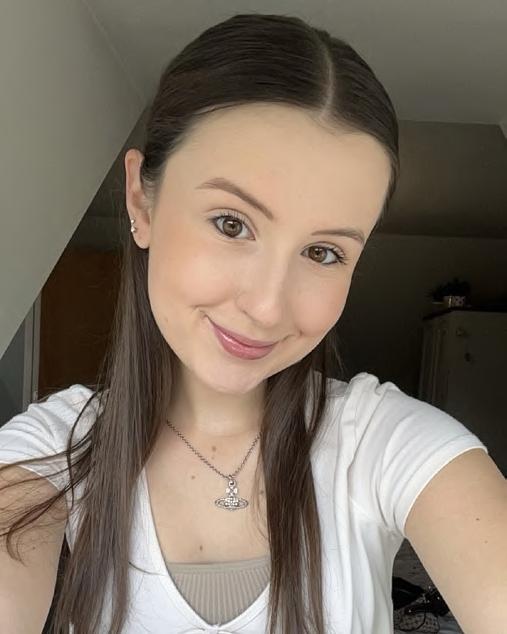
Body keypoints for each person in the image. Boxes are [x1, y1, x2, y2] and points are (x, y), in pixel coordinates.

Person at [0, 12, 505, 634]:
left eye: (324, 252)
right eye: (231, 223)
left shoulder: (387, 446)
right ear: (141, 200)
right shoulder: (49, 452)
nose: (268, 307)